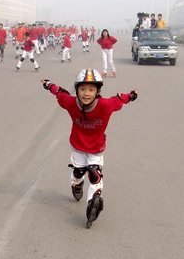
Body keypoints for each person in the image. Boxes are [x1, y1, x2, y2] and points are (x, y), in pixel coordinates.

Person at [40, 69, 138, 228]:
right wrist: (47, 84)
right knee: (78, 173)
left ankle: (93, 200)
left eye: (91, 90)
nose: (86, 93)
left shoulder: (106, 105)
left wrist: (132, 95)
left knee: (94, 174)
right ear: (77, 90)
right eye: (83, 89)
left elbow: (121, 99)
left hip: (97, 147)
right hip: (78, 146)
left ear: (98, 91)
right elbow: (59, 92)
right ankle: (77, 185)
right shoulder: (71, 102)